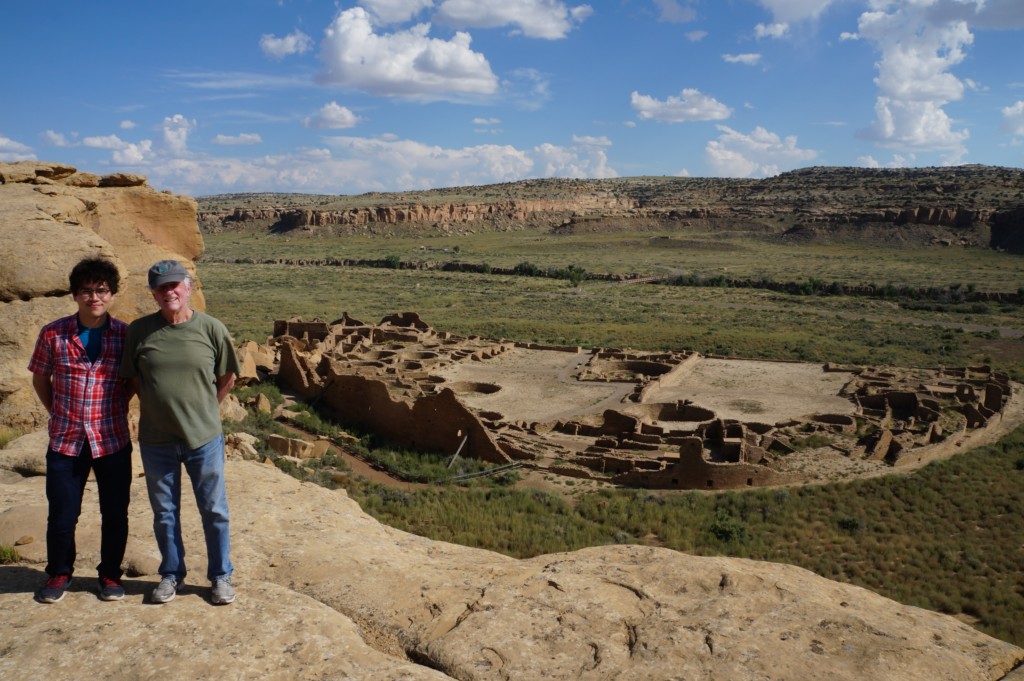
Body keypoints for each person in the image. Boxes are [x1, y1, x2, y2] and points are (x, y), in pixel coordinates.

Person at [120, 260, 240, 605]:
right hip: (157, 440)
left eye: (174, 285)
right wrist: (159, 404)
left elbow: (227, 377)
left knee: (214, 509)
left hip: (203, 439)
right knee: (165, 512)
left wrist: (204, 408)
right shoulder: (139, 331)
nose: (168, 292)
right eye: (161, 287)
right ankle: (172, 575)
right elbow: (132, 377)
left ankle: (220, 576)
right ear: (153, 294)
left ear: (187, 288)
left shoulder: (212, 329)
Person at [28, 257, 133, 603]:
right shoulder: (54, 333)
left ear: (112, 294)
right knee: (62, 513)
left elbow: (132, 381)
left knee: (115, 512)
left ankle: (110, 575)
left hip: (111, 439)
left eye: (101, 290)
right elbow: (40, 377)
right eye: (86, 291)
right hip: (66, 439)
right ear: (75, 295)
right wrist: (56, 410)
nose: (94, 297)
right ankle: (59, 573)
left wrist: (117, 405)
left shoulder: (124, 335)